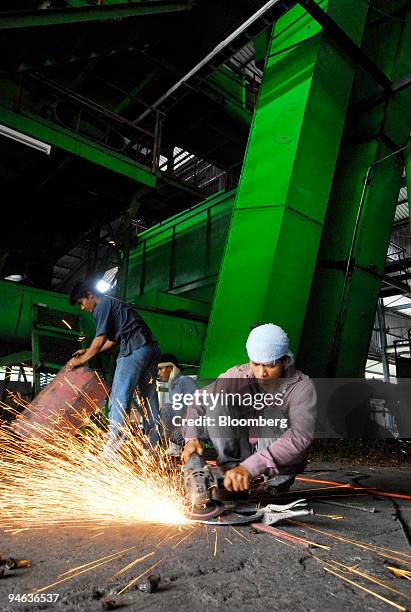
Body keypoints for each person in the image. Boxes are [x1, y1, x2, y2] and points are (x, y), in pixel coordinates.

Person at [182, 323, 317, 493]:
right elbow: (199, 400)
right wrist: (192, 438)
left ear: (285, 361)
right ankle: (233, 475)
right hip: (242, 460)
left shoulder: (302, 388)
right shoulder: (238, 375)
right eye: (256, 364)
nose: (261, 373)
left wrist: (251, 467)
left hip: (277, 470)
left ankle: (268, 483)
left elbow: (300, 436)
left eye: (270, 365)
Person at [67, 280, 160, 448]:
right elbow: (110, 341)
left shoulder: (101, 307)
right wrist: (87, 350)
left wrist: (81, 360)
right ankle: (153, 448)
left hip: (134, 350)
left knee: (119, 399)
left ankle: (113, 453)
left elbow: (100, 338)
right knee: (149, 400)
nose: (82, 307)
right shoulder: (114, 304)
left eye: (81, 302)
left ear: (90, 295)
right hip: (150, 348)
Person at [157, 353, 197, 457]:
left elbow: (196, 406)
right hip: (182, 422)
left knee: (175, 435)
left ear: (170, 367)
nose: (159, 372)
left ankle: (191, 444)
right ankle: (172, 447)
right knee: (166, 408)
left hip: (194, 423)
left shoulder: (185, 381)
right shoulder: (172, 385)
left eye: (161, 369)